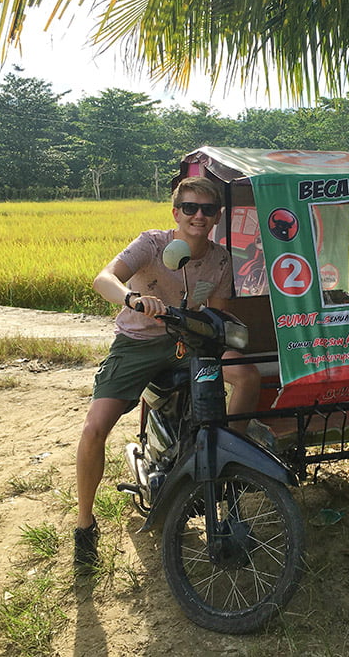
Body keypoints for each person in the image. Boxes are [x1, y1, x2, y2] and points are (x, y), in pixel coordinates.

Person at [73, 176, 262, 571]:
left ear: (217, 216)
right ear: (176, 212)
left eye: (207, 210)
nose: (198, 216)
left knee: (246, 376)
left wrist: (213, 327)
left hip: (188, 341)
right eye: (189, 208)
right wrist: (133, 299)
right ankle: (85, 524)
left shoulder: (220, 259)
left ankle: (224, 464)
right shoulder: (153, 244)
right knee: (95, 427)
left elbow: (219, 311)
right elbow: (103, 278)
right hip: (137, 343)